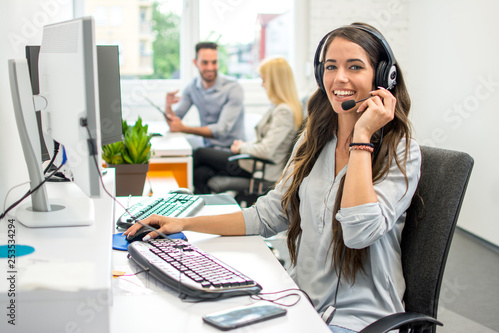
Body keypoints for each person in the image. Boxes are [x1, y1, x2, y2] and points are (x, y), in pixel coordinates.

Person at [125, 23, 421, 333]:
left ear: (384, 76)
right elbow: (269, 215)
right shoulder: (314, 141)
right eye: (331, 66)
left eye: (355, 67)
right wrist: (185, 224)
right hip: (303, 303)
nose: (340, 78)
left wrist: (362, 138)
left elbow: (359, 234)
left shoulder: (401, 153)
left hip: (358, 321)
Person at [191, 57, 303, 194]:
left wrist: (242, 148)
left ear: (274, 82)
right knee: (200, 173)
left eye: (264, 80)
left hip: (259, 169)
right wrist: (245, 145)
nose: (263, 85)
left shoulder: (284, 111)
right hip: (253, 164)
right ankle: (201, 212)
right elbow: (265, 141)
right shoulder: (278, 107)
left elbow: (266, 150)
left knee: (199, 153)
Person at [165, 41, 245, 148]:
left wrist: (184, 128)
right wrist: (168, 106)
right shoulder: (192, 88)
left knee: (195, 155)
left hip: (231, 151)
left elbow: (222, 130)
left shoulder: (233, 88)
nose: (210, 68)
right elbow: (175, 120)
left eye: (214, 62)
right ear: (195, 62)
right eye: (205, 63)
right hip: (208, 148)